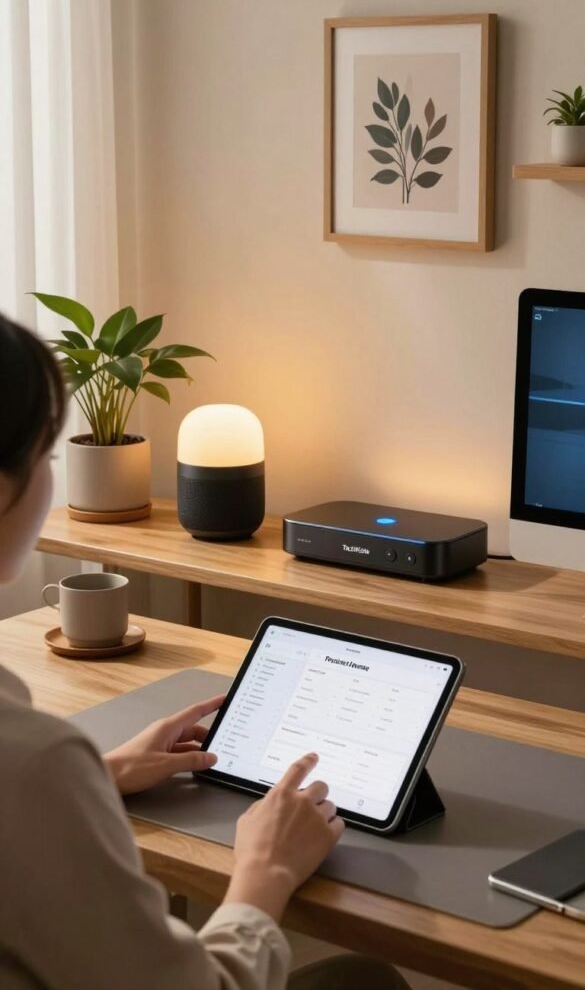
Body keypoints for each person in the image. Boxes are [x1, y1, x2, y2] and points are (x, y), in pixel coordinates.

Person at [0, 314, 410, 990]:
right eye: (46, 458)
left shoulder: (39, 773)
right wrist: (263, 873)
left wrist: (99, 775)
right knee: (362, 979)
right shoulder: (33, 765)